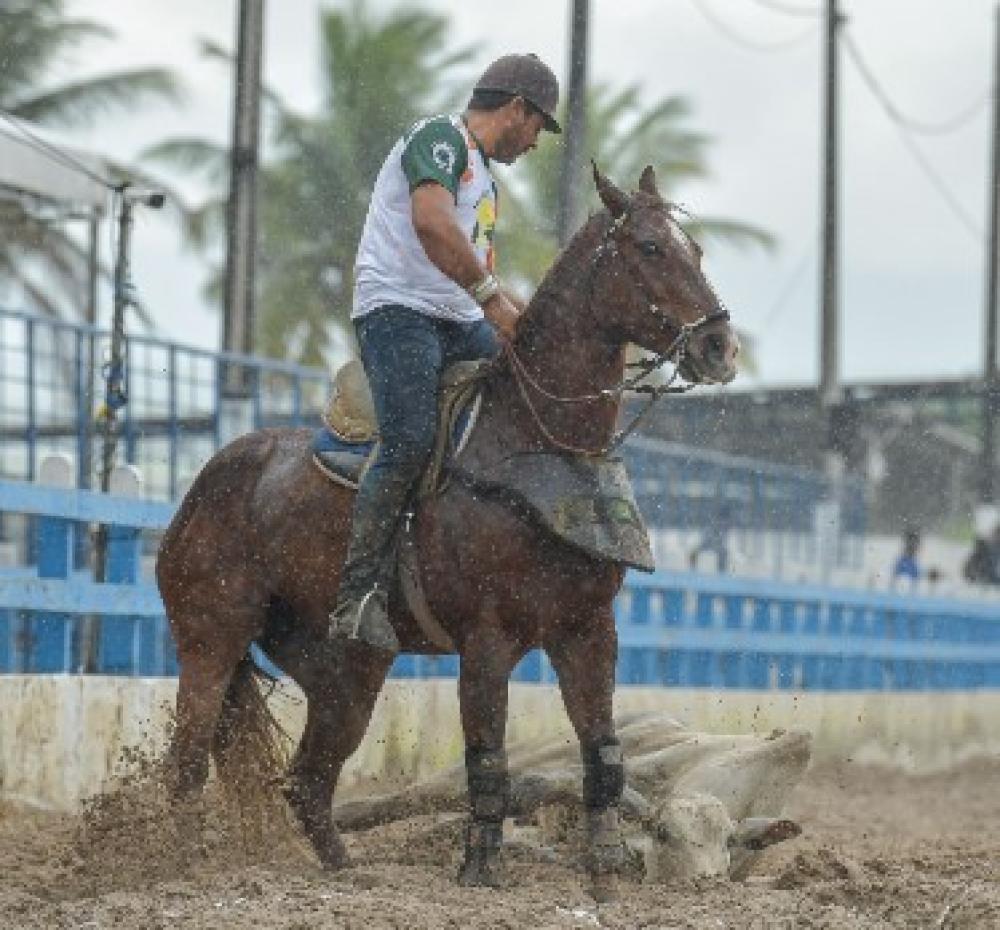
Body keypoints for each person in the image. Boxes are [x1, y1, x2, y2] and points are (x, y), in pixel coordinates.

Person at [328, 53, 561, 656]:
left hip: (457, 319)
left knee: (527, 392)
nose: (535, 141)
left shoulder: (485, 178)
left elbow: (477, 268)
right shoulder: (440, 139)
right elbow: (431, 224)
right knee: (409, 440)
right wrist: (492, 301)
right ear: (517, 109)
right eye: (538, 126)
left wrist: (525, 320)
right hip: (398, 311)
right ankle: (357, 596)